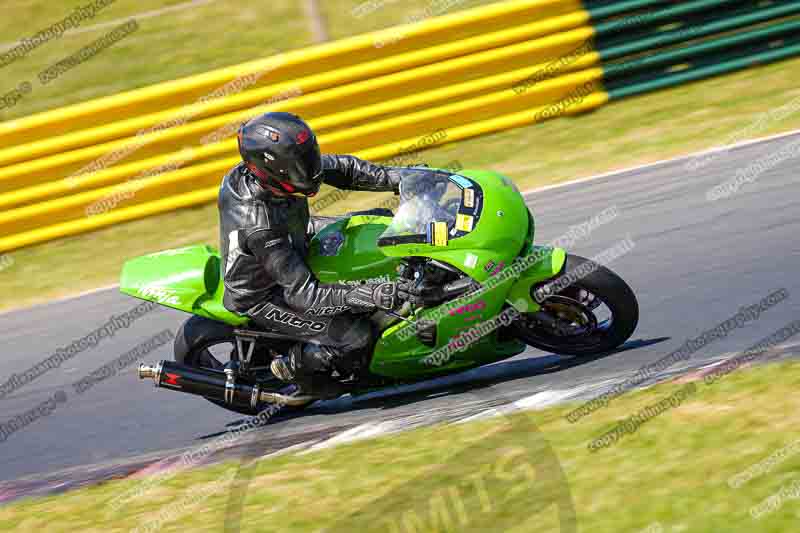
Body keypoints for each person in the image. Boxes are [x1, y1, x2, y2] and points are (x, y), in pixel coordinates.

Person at [219, 112, 421, 398]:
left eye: (308, 157)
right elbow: (304, 296)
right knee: (357, 336)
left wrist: (402, 178)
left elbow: (345, 169)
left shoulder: (282, 170)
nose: (311, 170)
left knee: (376, 222)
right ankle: (297, 370)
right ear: (271, 172)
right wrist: (367, 294)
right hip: (266, 293)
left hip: (296, 237)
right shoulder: (259, 224)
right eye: (300, 165)